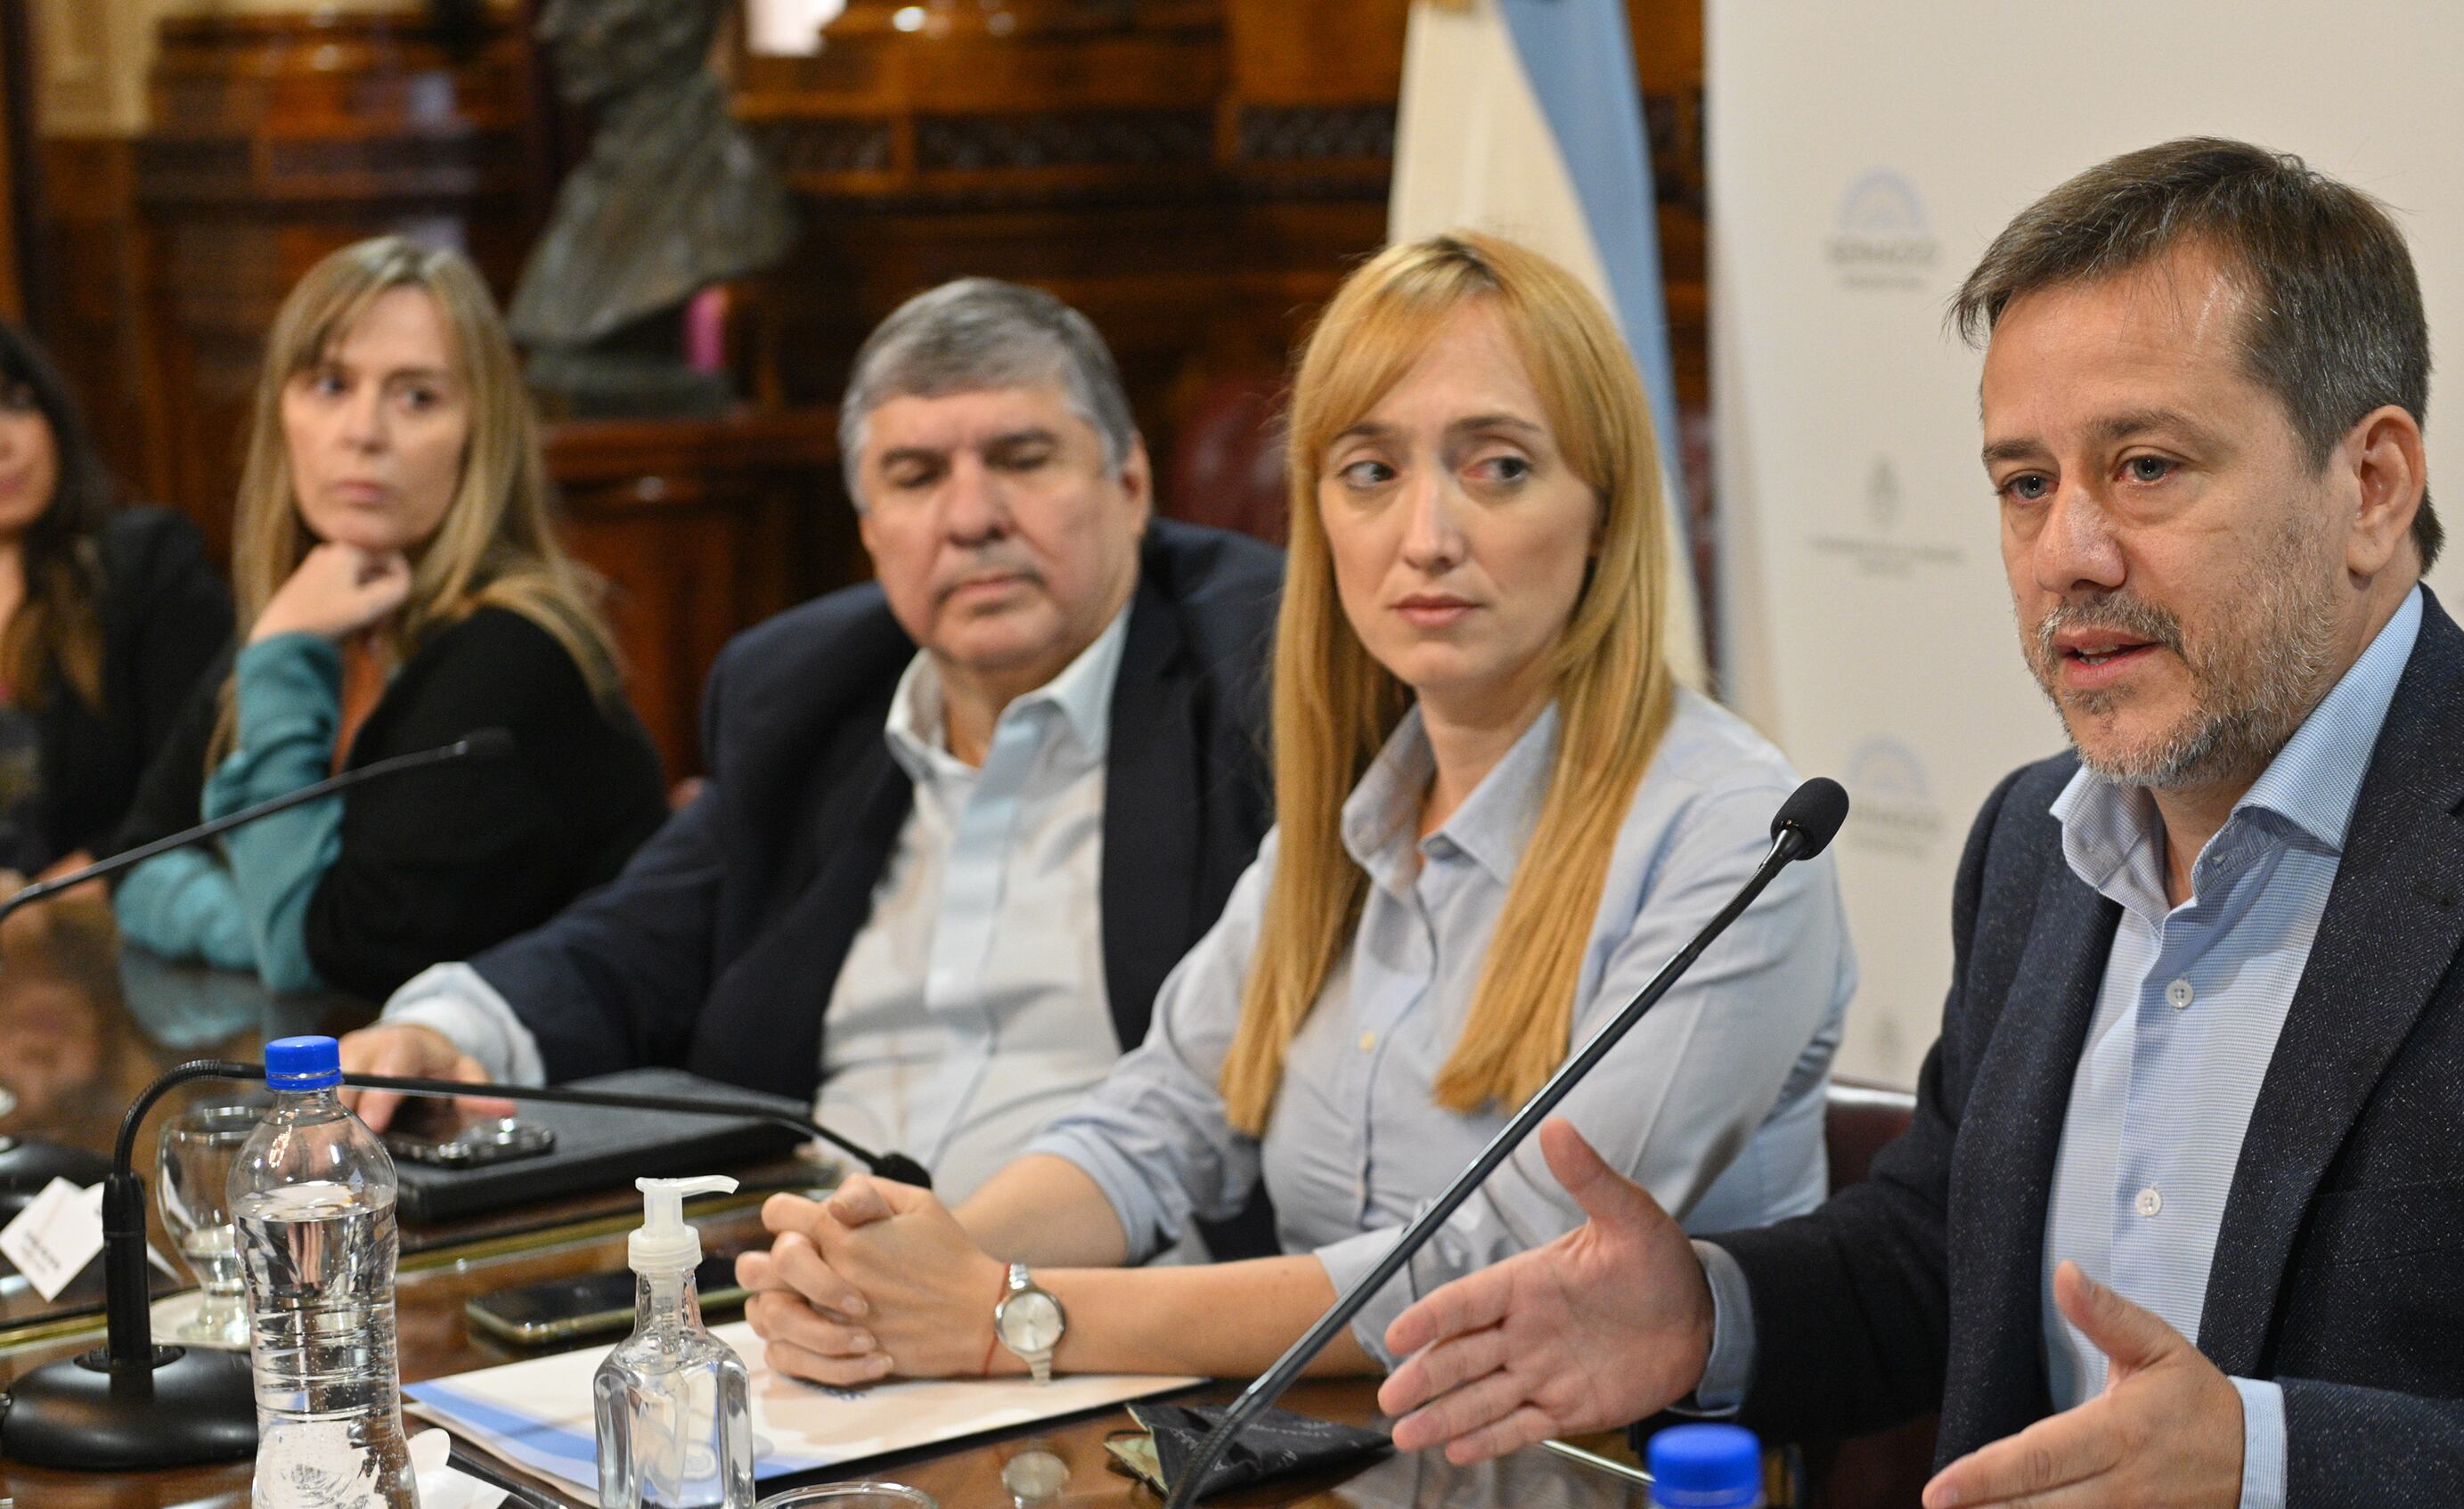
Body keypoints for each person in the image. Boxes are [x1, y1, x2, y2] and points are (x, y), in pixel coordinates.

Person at [1373, 141, 2464, 1509]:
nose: (2069, 552)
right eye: (2022, 482)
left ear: (2374, 486)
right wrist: (1706, 1316)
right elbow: (1939, 1252)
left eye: (2144, 468)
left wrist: (2268, 1482)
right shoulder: (2034, 843)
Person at [733, 234, 1856, 1387]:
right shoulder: (1358, 813)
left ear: (1606, 510)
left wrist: (1005, 1316)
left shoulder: (1731, 834)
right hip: (1331, 1472)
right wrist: (891, 1266)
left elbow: (1505, 1268)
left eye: (1500, 467)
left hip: (1630, 1508)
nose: (1426, 537)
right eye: (1371, 473)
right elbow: (1158, 1125)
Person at [340, 279, 1284, 1200]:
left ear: (1129, 483)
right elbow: (638, 938)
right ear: (870, 530)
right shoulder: (809, 695)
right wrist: (438, 1029)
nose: (971, 519)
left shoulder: (1260, 680)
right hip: (798, 1265)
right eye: (915, 477)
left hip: (1101, 1297)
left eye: (1023, 458)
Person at [113, 238, 667, 1000]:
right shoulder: (306, 617)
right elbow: (138, 862)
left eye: (417, 398)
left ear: (480, 436)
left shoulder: (513, 651)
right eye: (331, 384)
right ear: (282, 415)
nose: (364, 432)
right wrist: (266, 925)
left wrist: (285, 653)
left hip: (544, 1103)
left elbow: (318, 955)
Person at [0, 321, 232, 885]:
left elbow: (205, 780)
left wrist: (68, 885)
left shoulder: (146, 563)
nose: (4, 443)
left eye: (17, 403)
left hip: (110, 929)